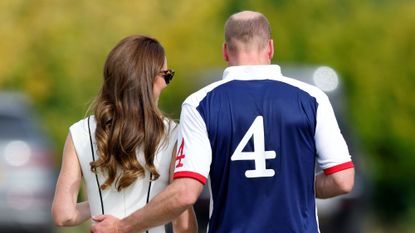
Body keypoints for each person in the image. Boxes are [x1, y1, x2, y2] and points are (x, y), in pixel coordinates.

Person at [91, 11, 355, 233]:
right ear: (271, 48)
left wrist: (123, 226)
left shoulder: (201, 103)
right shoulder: (312, 97)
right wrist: (289, 184)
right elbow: (343, 180)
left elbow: (185, 192)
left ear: (225, 52)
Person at [51, 35, 197, 233]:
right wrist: (159, 205)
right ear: (149, 80)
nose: (166, 83)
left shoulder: (78, 132)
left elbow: (63, 214)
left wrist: (97, 204)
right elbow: (184, 226)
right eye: (167, 75)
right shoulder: (174, 134)